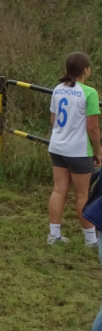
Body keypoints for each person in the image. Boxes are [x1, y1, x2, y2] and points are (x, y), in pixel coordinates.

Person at [47, 51, 102, 247]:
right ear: (85, 70)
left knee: (59, 190)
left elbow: (54, 120)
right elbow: (93, 128)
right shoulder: (90, 93)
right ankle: (90, 238)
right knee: (83, 195)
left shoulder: (58, 89)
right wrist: (98, 150)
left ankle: (54, 234)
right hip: (79, 151)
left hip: (57, 146)